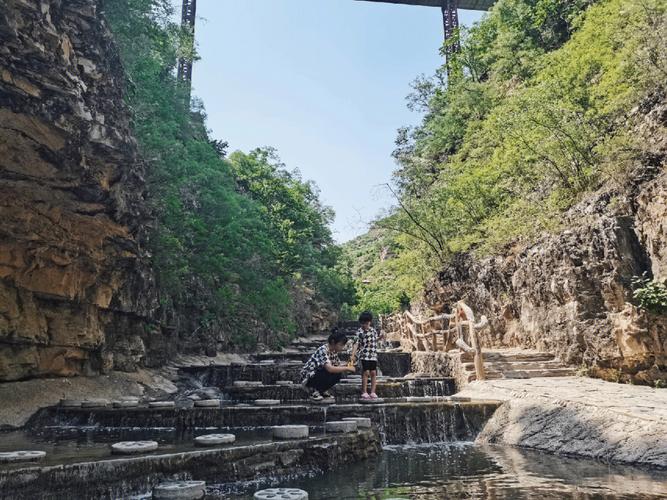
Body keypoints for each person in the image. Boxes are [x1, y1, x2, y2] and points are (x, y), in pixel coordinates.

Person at [301, 329, 355, 402]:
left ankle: (321, 391)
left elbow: (337, 365)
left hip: (317, 374)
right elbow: (330, 368)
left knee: (338, 374)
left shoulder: (333, 351)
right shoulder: (323, 350)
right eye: (341, 345)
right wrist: (347, 368)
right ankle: (313, 391)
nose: (342, 348)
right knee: (326, 370)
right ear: (333, 342)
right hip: (308, 377)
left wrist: (347, 364)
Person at [350, 311, 382, 400]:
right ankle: (364, 392)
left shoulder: (373, 331)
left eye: (366, 323)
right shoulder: (359, 332)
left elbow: (374, 340)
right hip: (364, 355)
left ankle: (373, 392)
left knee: (373, 372)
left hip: (373, 355)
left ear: (370, 322)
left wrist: (380, 338)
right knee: (366, 372)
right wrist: (353, 355)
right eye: (363, 323)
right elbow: (356, 344)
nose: (364, 325)